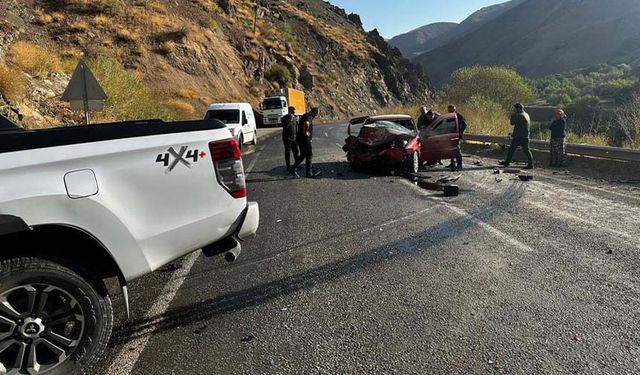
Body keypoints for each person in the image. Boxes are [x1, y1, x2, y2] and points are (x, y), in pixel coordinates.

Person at [499, 103, 534, 169]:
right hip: (524, 136)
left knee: (513, 149)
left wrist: (512, 115)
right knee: (525, 150)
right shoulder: (526, 114)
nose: (514, 110)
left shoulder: (520, 116)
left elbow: (512, 123)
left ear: (518, 109)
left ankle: (507, 163)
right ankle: (530, 164)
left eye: (515, 109)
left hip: (519, 137)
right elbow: (520, 126)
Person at [292, 107, 321, 178]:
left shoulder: (305, 115)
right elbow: (306, 123)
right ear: (314, 112)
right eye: (316, 114)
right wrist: (306, 132)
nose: (316, 116)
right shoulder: (309, 116)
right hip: (305, 139)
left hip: (300, 139)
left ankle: (293, 168)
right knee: (309, 155)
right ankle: (309, 173)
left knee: (303, 155)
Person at [447, 105, 467, 171]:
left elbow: (464, 124)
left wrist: (459, 131)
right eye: (449, 111)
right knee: (452, 149)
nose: (450, 112)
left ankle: (459, 165)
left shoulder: (459, 116)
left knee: (457, 150)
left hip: (457, 136)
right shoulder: (449, 116)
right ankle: (452, 163)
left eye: (451, 110)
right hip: (450, 135)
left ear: (454, 109)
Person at [281, 106, 299, 173]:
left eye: (294, 111)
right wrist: (290, 120)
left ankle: (297, 164)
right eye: (292, 111)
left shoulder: (294, 118)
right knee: (287, 152)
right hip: (287, 138)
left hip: (294, 138)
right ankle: (288, 166)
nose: (294, 112)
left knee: (296, 152)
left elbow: (296, 127)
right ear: (289, 111)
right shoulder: (285, 118)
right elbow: (285, 127)